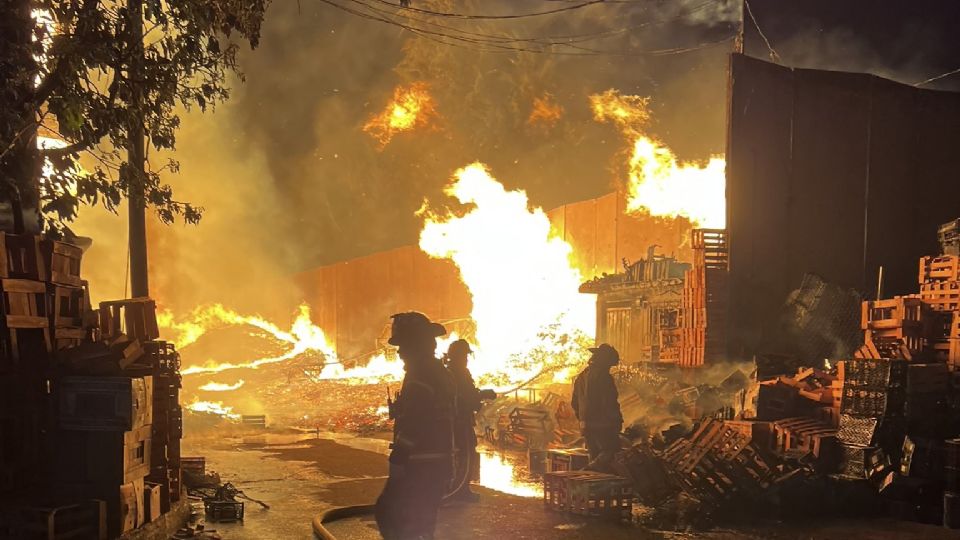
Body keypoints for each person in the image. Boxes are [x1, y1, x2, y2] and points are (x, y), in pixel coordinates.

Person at [375, 312, 456, 540]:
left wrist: (399, 456)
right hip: (437, 463)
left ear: (416, 345)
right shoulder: (437, 371)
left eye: (403, 345)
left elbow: (416, 419)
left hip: (420, 464)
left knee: (391, 515)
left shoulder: (420, 374)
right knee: (422, 524)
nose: (400, 352)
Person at [443, 339, 493, 502]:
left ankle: (457, 488)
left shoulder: (452, 371)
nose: (466, 358)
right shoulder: (458, 373)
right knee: (466, 454)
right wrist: (483, 394)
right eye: (465, 355)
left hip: (456, 420)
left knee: (461, 454)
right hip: (460, 420)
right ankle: (461, 491)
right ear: (459, 356)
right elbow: (465, 396)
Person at [571, 343, 623, 473]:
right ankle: (585, 471)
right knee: (611, 449)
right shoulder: (604, 378)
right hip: (603, 424)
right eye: (610, 364)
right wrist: (616, 421)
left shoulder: (581, 376)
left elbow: (574, 402)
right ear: (605, 361)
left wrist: (582, 419)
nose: (610, 368)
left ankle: (591, 486)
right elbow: (609, 403)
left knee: (594, 456)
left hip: (586, 425)